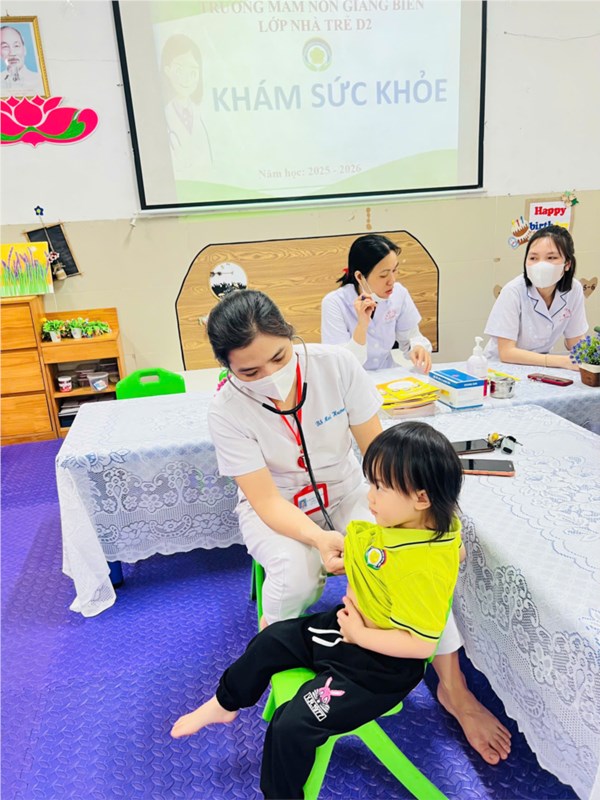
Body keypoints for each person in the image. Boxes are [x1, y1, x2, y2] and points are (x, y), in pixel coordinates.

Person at [204, 289, 511, 765]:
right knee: (295, 573)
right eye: (249, 372)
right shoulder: (226, 410)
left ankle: (454, 689)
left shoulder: (336, 366)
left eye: (279, 358)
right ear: (227, 369)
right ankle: (284, 668)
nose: (269, 376)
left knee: (415, 556)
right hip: (279, 504)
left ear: (290, 335)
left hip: (351, 489)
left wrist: (430, 526)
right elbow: (264, 500)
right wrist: (317, 538)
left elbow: (381, 454)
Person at [171, 422, 465, 799]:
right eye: (371, 483)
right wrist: (351, 571)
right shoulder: (412, 525)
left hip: (378, 671)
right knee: (273, 638)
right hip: (348, 632)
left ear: (421, 498)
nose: (370, 496)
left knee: (291, 724)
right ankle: (225, 703)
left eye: (380, 487)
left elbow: (421, 646)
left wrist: (360, 634)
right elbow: (413, 552)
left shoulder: (424, 566)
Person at [321, 234, 432, 372]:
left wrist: (417, 347)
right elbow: (341, 364)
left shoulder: (399, 293)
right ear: (360, 277)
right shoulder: (335, 303)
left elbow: (411, 337)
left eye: (394, 270)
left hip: (387, 374)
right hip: (353, 378)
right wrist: (362, 325)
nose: (392, 281)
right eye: (383, 275)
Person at [484, 225, 588, 369]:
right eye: (533, 258)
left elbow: (574, 341)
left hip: (540, 368)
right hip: (500, 369)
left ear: (567, 264)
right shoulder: (513, 291)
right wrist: (561, 361)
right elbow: (507, 352)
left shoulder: (574, 289)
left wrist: (591, 357)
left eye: (551, 258)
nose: (541, 265)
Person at [160, 34, 212, 180]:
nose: (186, 79)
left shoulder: (202, 112)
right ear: (167, 70)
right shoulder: (162, 116)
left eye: (193, 72)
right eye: (179, 70)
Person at [1, 25, 45, 97]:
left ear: (24, 49)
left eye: (16, 46)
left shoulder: (40, 80)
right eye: (5, 46)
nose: (12, 53)